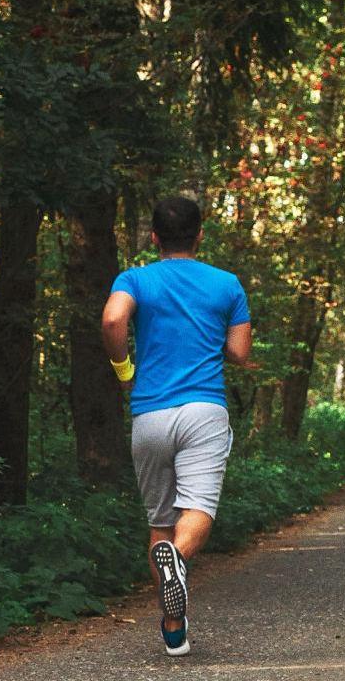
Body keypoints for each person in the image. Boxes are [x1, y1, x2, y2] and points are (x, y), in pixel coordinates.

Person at [101, 195, 253, 656]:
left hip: (150, 412)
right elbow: (240, 353)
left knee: (160, 521)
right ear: (200, 235)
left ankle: (174, 625)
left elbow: (112, 318)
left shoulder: (135, 279)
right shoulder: (227, 284)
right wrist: (216, 343)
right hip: (204, 411)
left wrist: (124, 370)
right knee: (198, 510)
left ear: (154, 238)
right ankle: (179, 565)